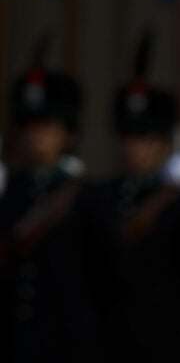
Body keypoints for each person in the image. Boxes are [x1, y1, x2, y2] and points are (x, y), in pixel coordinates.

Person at [86, 30, 180, 362]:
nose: (133, 147)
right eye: (127, 136)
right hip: (111, 340)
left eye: (144, 138)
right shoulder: (99, 197)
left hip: (166, 340)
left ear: (164, 144)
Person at [0, 45, 100, 362]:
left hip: (66, 342)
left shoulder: (84, 196)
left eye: (46, 126)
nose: (36, 136)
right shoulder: (8, 189)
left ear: (67, 134)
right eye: (29, 126)